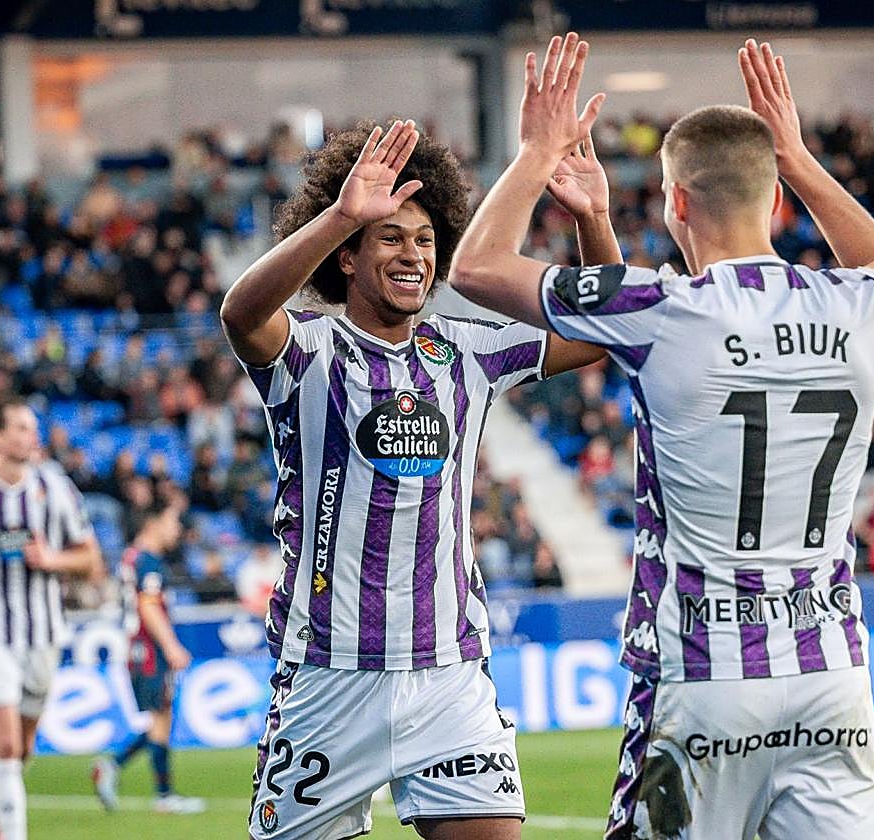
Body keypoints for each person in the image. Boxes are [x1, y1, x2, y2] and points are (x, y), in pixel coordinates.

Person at [449, 34, 874, 839]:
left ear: (677, 204)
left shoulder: (664, 309)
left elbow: (477, 268)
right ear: (776, 200)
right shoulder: (857, 305)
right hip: (832, 677)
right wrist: (797, 156)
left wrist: (536, 153)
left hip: (703, 677)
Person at [219, 116, 611, 840]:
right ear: (346, 257)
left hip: (449, 673)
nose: (413, 255)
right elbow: (241, 313)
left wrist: (592, 219)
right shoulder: (308, 351)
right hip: (329, 675)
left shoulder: (466, 351)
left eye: (426, 240)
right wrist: (342, 215)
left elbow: (600, 332)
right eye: (391, 237)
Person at [0, 396, 103, 840]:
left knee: (21, 747)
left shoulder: (54, 490)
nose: (32, 435)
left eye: (32, 427)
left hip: (43, 633)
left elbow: (91, 560)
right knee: (5, 745)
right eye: (21, 427)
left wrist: (51, 559)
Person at [92, 502, 205, 814]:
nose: (177, 529)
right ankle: (162, 794)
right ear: (153, 523)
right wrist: (170, 646)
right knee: (160, 719)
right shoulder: (148, 561)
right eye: (171, 521)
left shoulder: (131, 557)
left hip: (137, 649)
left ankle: (113, 767)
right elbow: (148, 604)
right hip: (150, 650)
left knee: (160, 718)